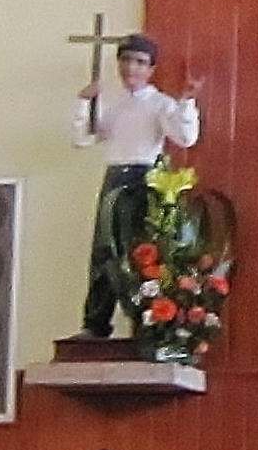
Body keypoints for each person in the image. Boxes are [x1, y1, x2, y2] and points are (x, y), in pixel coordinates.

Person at [74, 32, 202, 339]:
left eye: (140, 62)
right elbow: (84, 138)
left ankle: (150, 322)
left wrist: (186, 102)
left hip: (145, 178)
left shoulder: (160, 104)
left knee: (142, 250)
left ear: (151, 69)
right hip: (115, 175)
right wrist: (83, 103)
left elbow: (185, 137)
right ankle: (95, 323)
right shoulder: (114, 105)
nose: (132, 68)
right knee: (105, 249)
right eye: (127, 60)